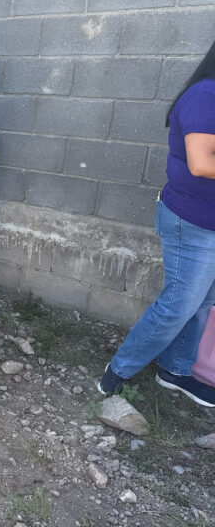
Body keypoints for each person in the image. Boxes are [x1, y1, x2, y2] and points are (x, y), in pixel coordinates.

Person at [99, 39, 215, 407]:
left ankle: (175, 371)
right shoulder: (206, 94)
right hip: (192, 222)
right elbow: (201, 163)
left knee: (203, 303)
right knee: (178, 304)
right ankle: (117, 372)